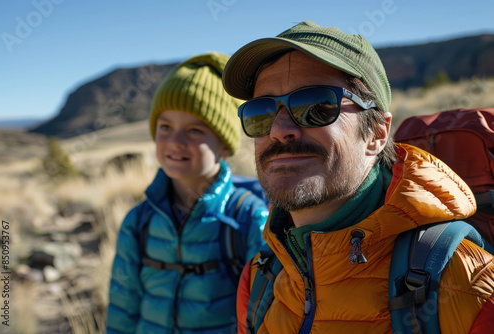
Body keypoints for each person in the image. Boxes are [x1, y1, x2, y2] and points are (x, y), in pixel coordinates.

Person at [221, 21, 494, 333]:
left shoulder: (472, 289)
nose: (280, 130)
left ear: (377, 134)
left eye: (316, 106)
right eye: (262, 112)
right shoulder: (259, 280)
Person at [106, 52, 269, 333]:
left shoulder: (249, 217)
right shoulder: (138, 222)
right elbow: (124, 304)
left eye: (194, 130)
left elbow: (263, 314)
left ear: (224, 145)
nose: (175, 141)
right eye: (165, 127)